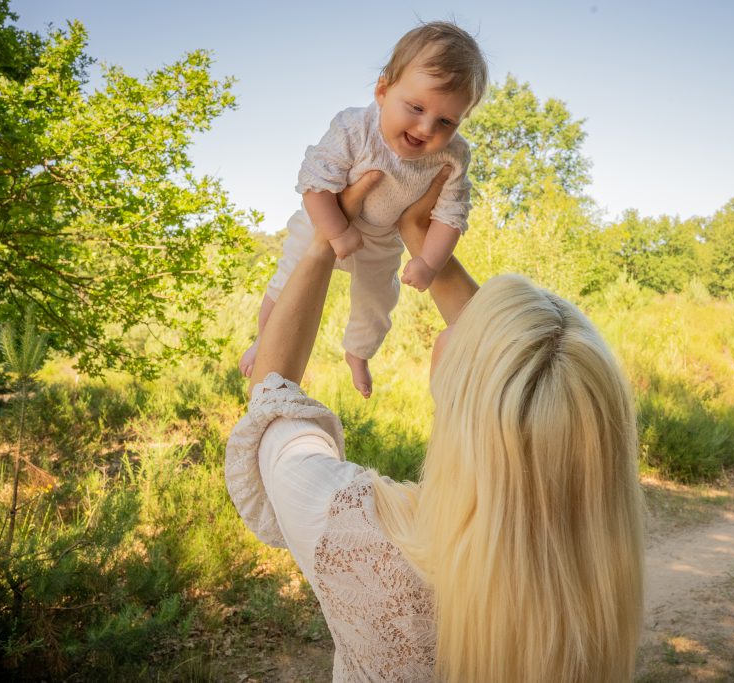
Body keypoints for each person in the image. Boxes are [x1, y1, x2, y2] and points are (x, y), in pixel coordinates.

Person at [225, 169, 646, 681]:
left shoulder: (363, 536)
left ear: (460, 388)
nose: (458, 325)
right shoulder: (596, 574)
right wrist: (418, 235)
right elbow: (522, 377)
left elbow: (271, 402)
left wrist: (321, 242)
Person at [238, 21, 488, 400]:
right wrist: (337, 232)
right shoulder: (355, 128)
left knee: (379, 298)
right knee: (287, 281)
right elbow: (314, 183)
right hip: (324, 218)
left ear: (462, 120)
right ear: (383, 91)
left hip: (381, 237)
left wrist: (429, 263)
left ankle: (358, 353)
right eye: (416, 107)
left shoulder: (452, 156)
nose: (425, 127)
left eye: (446, 121)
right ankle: (264, 343)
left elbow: (451, 216)